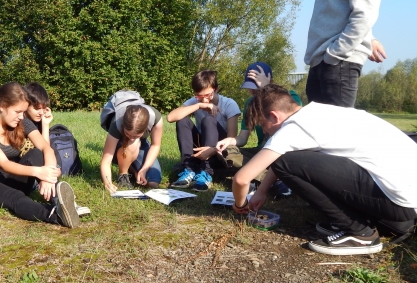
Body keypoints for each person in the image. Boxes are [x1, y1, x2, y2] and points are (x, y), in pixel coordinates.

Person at [231, 84, 417, 256]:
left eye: (263, 126)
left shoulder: (294, 128)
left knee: (284, 161)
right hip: (406, 197)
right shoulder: (319, 111)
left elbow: (241, 179)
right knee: (287, 160)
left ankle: (360, 234)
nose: (267, 132)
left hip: (397, 201)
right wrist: (262, 191)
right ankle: (387, 223)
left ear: (274, 116)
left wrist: (240, 206)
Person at [0, 82, 79, 228]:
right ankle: (55, 215)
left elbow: (46, 148)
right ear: (2, 106)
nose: (21, 116)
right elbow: (5, 164)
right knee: (14, 198)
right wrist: (39, 172)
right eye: (17, 112)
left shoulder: (21, 122)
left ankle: (60, 200)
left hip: (11, 176)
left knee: (36, 154)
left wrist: (48, 174)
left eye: (23, 111)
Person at [302, 0, 383, 108]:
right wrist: (370, 38)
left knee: (338, 133)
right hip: (322, 61)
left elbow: (364, 14)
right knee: (318, 133)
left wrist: (334, 55)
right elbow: (344, 10)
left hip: (337, 63)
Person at [216, 62, 302, 197]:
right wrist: (230, 141)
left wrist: (267, 89)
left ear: (270, 82)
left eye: (256, 87)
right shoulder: (249, 104)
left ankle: (265, 178)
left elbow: (294, 116)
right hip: (262, 151)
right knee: (229, 151)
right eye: (249, 88)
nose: (252, 92)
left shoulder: (289, 96)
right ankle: (274, 180)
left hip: (284, 152)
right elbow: (243, 138)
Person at [23, 82, 90, 216]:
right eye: (37, 108)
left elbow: (45, 147)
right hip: (21, 173)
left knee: (51, 158)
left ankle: (64, 202)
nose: (41, 112)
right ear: (26, 105)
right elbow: (39, 152)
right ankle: (62, 202)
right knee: (38, 154)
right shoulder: (20, 121)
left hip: (34, 173)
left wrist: (45, 125)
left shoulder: (37, 122)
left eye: (44, 108)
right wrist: (47, 175)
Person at [167, 70, 240, 191]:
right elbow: (170, 118)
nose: (205, 100)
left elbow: (231, 139)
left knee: (208, 120)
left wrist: (212, 150)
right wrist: (198, 105)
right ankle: (188, 169)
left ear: (215, 89)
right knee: (182, 120)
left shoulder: (229, 104)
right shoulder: (196, 102)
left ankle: (206, 172)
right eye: (199, 97)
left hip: (220, 151)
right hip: (201, 149)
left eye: (208, 95)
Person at [101, 103, 163, 193]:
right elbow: (106, 161)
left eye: (137, 135)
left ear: (146, 128)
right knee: (132, 143)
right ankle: (123, 175)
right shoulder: (116, 123)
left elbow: (155, 145)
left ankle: (133, 169)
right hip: (119, 146)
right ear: (123, 126)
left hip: (141, 145)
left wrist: (144, 169)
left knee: (152, 182)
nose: (132, 138)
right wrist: (107, 182)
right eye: (128, 133)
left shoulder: (155, 118)